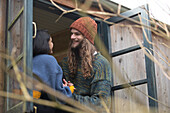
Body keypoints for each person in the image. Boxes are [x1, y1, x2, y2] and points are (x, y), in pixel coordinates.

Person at [60, 17, 112, 112]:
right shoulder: (65, 62)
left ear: (87, 38)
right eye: (71, 33)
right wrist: (66, 89)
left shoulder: (100, 64)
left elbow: (100, 104)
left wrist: (70, 95)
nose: (72, 37)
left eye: (77, 34)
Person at [32, 30, 73, 113]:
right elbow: (58, 96)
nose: (52, 44)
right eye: (51, 41)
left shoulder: (30, 60)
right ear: (44, 43)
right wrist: (69, 89)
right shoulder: (48, 60)